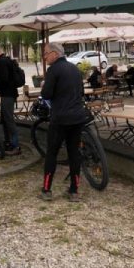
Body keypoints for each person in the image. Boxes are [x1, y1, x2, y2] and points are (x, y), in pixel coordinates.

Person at [40, 42, 88, 202]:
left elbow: (46, 94)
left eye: (46, 53)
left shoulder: (53, 70)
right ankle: (74, 191)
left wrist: (44, 86)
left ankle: (47, 189)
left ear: (55, 54)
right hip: (77, 117)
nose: (45, 57)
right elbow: (81, 92)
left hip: (60, 118)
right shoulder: (75, 69)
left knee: (52, 153)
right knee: (74, 153)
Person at [0, 43, 21, 156]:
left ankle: (15, 146)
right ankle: (9, 142)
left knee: (9, 120)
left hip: (8, 95)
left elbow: (4, 80)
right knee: (5, 119)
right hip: (10, 93)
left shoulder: (1, 62)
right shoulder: (7, 60)